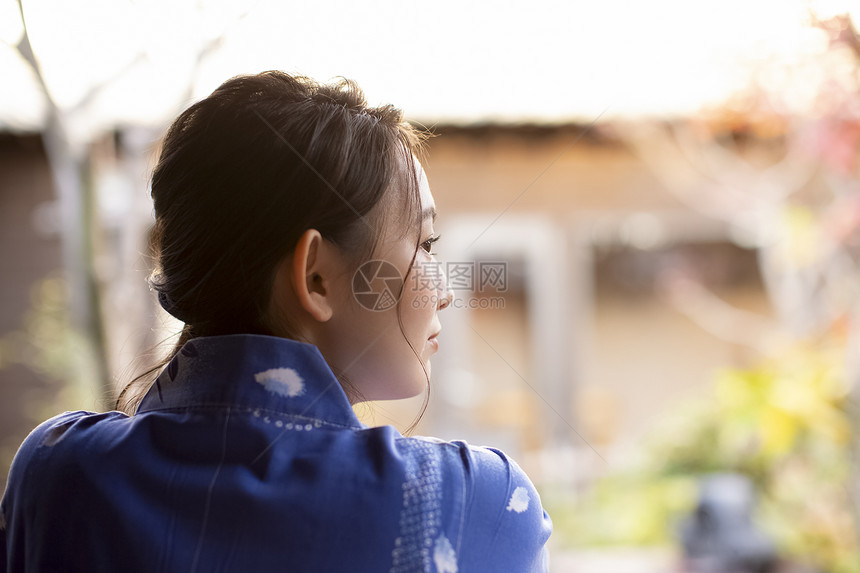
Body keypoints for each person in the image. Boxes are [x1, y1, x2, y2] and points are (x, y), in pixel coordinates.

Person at [0, 71, 552, 572]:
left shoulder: (57, 474)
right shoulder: (472, 501)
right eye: (425, 244)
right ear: (315, 277)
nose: (444, 293)